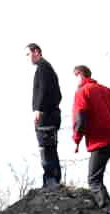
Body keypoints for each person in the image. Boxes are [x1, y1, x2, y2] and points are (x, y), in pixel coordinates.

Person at [71, 65, 110, 214]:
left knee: (93, 180)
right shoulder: (108, 91)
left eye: (75, 76)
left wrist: (76, 139)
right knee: (97, 176)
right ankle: (106, 210)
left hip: (101, 140)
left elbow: (80, 119)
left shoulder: (82, 91)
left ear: (80, 75)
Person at [26, 43, 62, 187]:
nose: (27, 58)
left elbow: (43, 89)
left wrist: (38, 109)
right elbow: (58, 95)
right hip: (51, 115)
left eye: (27, 54)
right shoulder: (47, 68)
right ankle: (52, 181)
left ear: (36, 52)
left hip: (46, 116)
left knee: (46, 149)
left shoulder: (43, 68)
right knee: (50, 148)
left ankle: (51, 182)